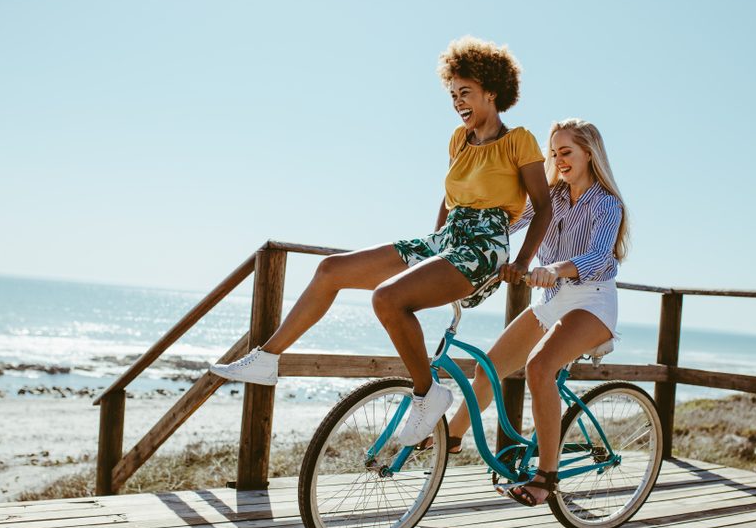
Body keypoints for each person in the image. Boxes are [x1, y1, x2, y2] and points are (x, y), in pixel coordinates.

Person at [210, 36, 553, 446]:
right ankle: (267, 358)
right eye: (452, 94)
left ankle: (429, 394)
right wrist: (434, 244)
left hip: (485, 248)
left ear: (492, 91)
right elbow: (448, 199)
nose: (458, 101)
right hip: (448, 237)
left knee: (387, 298)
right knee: (330, 269)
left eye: (466, 93)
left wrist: (522, 261)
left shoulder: (520, 141)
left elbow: (544, 208)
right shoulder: (458, 140)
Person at [422, 117, 629, 507]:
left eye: (566, 152)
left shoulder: (607, 203)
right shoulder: (549, 200)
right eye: (553, 153)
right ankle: (450, 439)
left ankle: (546, 475)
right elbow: (509, 225)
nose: (558, 159)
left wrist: (553, 269)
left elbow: (601, 258)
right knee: (487, 369)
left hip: (591, 300)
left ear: (589, 153)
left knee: (539, 368)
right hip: (550, 302)